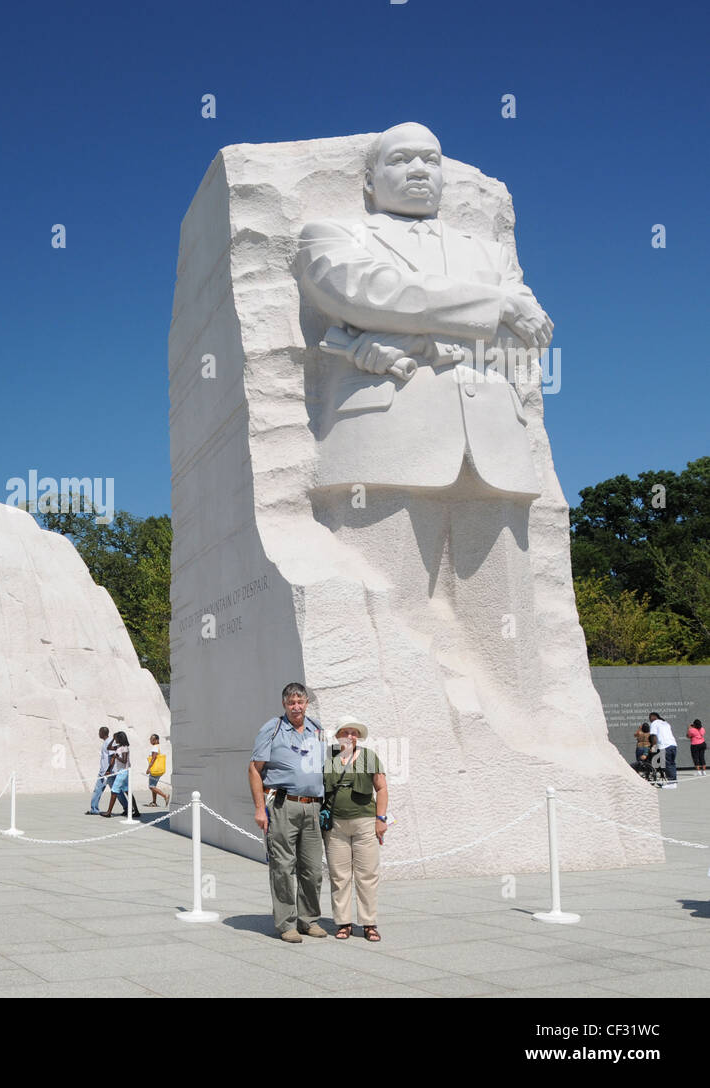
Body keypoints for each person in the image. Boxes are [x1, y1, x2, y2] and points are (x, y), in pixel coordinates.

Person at [296, 123, 553, 681]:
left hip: (494, 442)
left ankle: (517, 745)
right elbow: (361, 292)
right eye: (402, 159)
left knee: (506, 633)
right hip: (387, 440)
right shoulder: (331, 235)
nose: (419, 169)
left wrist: (407, 337)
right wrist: (491, 309)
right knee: (391, 617)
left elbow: (526, 339)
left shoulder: (491, 255)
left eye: (430, 160)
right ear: (368, 181)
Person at [249, 682, 328, 943]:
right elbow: (254, 769)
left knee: (313, 869)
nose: (296, 707)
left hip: (313, 805)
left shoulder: (317, 729)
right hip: (284, 805)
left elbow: (323, 765)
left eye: (300, 702)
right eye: (291, 702)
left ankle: (309, 920)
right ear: (284, 704)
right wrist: (260, 808)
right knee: (283, 867)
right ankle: (286, 924)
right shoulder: (271, 729)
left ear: (306, 703)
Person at [322, 717, 388, 941]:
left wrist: (381, 819)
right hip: (335, 825)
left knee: (367, 874)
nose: (349, 736)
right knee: (339, 876)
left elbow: (381, 788)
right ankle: (343, 922)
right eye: (345, 732)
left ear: (358, 736)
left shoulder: (369, 757)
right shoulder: (328, 756)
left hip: (365, 823)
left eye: (354, 732)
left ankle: (369, 923)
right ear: (338, 734)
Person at [85, 726, 112, 814]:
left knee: (116, 792)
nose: (98, 734)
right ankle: (94, 809)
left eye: (99, 732)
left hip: (107, 772)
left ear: (103, 733)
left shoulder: (109, 743)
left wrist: (108, 770)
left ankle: (127, 808)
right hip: (104, 771)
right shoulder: (106, 742)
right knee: (99, 790)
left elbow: (112, 757)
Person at [649, 712, 678, 789]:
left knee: (666, 764)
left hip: (664, 746)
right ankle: (673, 782)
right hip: (673, 744)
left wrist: (654, 747)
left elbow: (653, 735)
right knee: (672, 764)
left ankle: (671, 783)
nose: (649, 720)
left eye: (650, 718)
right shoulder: (666, 723)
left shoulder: (654, 723)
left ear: (653, 717)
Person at [145, 733, 169, 807]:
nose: (151, 740)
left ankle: (165, 796)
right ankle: (154, 802)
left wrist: (148, 768)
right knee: (154, 786)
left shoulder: (155, 747)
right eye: (150, 739)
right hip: (159, 770)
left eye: (152, 739)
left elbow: (153, 758)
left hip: (155, 770)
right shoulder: (157, 747)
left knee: (151, 787)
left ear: (156, 740)